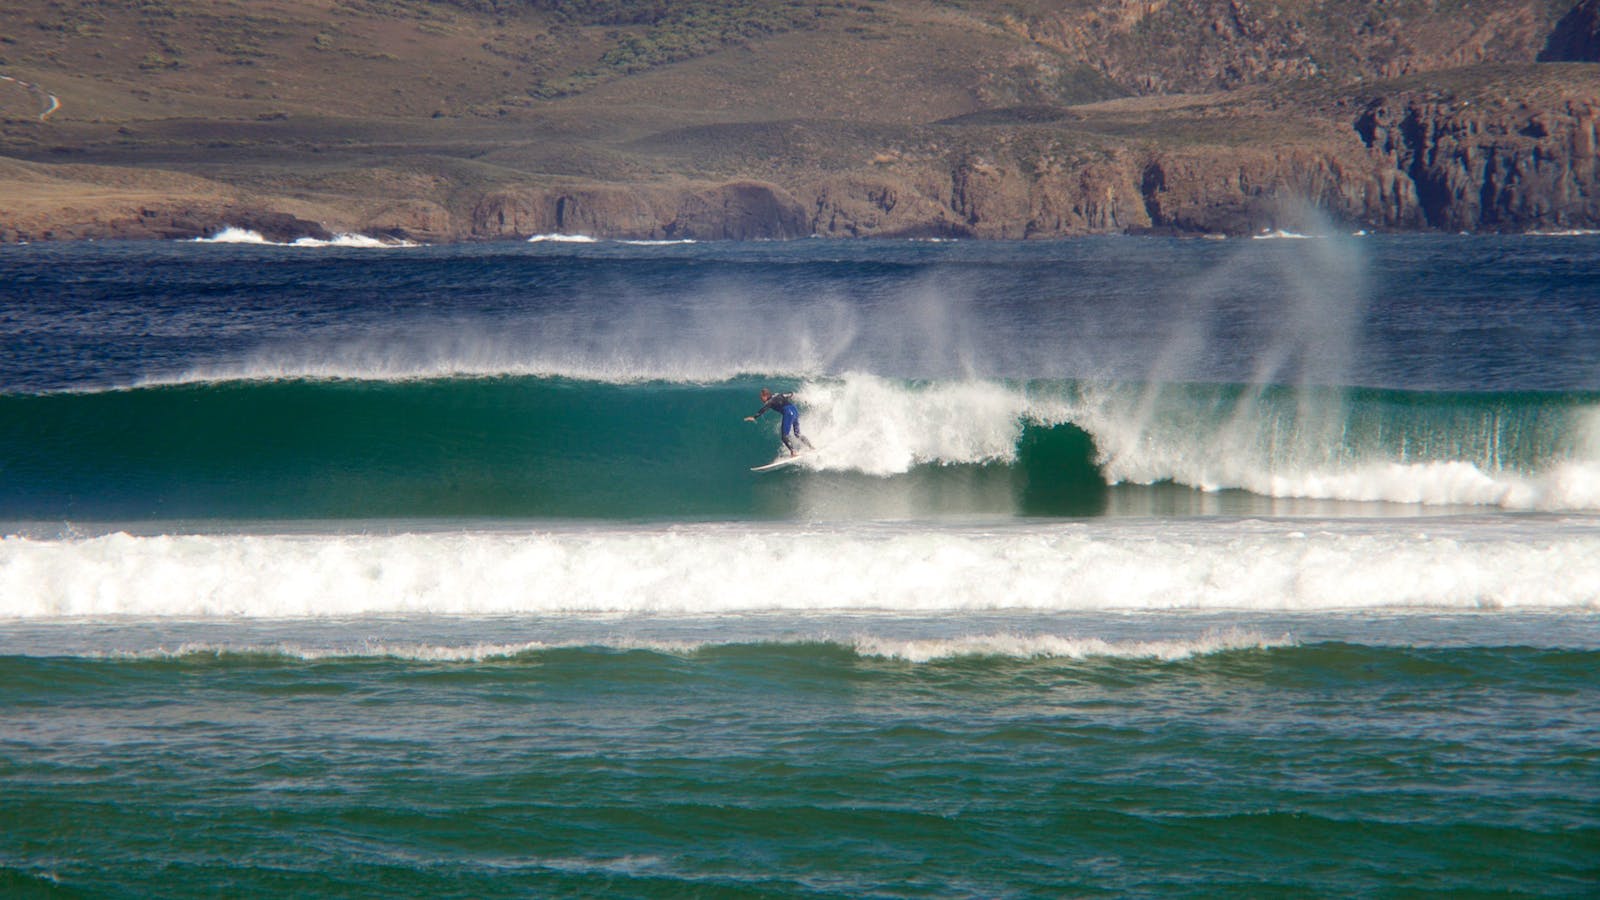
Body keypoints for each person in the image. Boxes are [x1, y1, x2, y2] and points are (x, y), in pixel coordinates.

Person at [744, 388, 815, 457]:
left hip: (788, 413)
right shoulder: (778, 394)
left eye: (761, 397)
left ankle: (793, 452)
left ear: (765, 396)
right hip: (794, 410)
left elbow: (764, 409)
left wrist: (754, 417)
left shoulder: (770, 401)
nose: (761, 399)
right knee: (797, 434)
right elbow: (790, 394)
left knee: (784, 437)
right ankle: (811, 447)